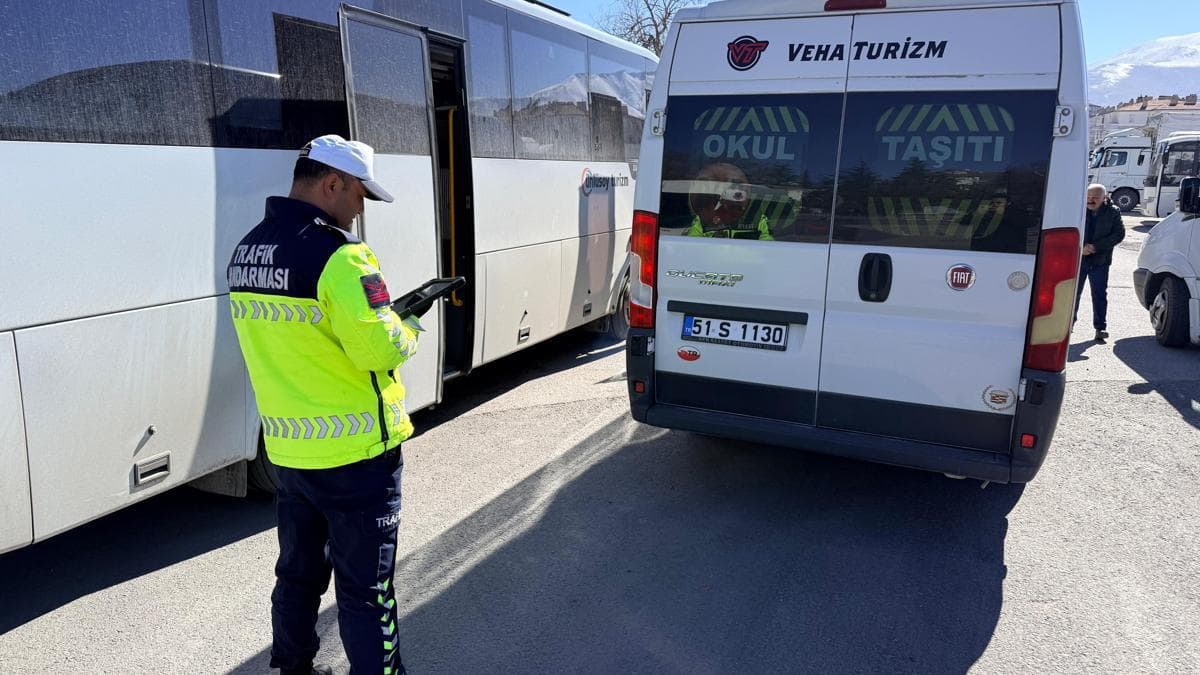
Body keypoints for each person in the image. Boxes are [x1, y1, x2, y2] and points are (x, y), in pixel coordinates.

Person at [227, 134, 421, 675]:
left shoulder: (248, 249)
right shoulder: (341, 256)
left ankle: (292, 667)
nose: (361, 210)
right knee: (366, 592)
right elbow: (379, 349)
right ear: (333, 183)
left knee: (297, 574)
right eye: (361, 195)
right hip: (356, 458)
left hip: (289, 453)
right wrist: (409, 325)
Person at [1075, 183, 1125, 342]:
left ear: (1104, 198)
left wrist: (1096, 247)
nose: (1090, 200)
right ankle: (1068, 327)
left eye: (1095, 198)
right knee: (1073, 294)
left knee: (1099, 295)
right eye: (1088, 197)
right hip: (1080, 258)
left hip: (1100, 261)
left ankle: (1100, 328)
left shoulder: (1113, 212)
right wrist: (1080, 246)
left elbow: (1119, 234)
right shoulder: (1078, 209)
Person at [686, 162, 773, 240]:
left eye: (738, 187)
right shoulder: (704, 219)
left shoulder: (755, 218)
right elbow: (692, 245)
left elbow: (768, 246)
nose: (733, 196)